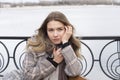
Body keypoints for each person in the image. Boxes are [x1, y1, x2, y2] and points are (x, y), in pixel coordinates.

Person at [3, 11, 82, 80]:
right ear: (46, 31)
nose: (55, 34)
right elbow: (28, 75)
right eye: (51, 30)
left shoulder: (68, 47)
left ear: (67, 29)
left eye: (59, 29)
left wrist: (65, 43)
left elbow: (75, 72)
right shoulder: (35, 46)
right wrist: (53, 62)